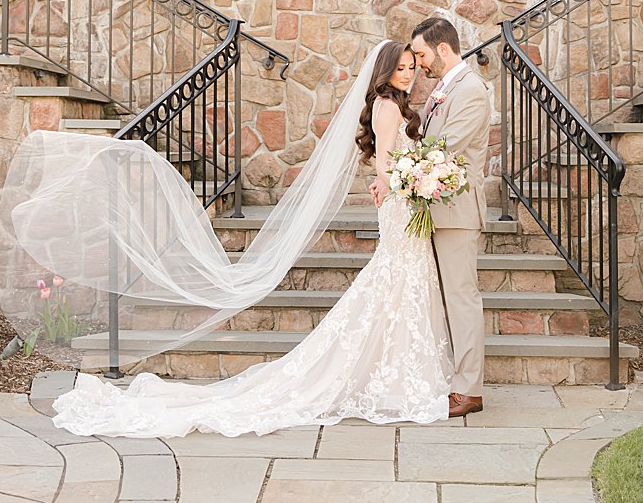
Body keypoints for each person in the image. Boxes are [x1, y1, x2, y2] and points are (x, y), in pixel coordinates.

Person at [30, 39, 455, 438]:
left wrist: (417, 177)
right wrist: (413, 181)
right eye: (400, 69)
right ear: (383, 72)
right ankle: (396, 377)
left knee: (401, 284)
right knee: (397, 280)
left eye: (411, 68)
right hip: (402, 206)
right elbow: (384, 165)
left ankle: (398, 372)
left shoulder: (395, 106)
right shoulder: (386, 108)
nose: (408, 74)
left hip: (405, 205)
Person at [401, 15, 493, 418]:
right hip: (435, 207)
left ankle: (469, 389)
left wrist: (398, 169)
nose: (418, 62)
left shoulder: (471, 89)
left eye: (420, 53)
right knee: (442, 299)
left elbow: (444, 147)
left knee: (461, 298)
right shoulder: (443, 88)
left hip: (456, 212)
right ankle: (450, 378)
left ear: (442, 48)